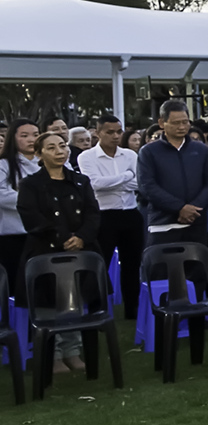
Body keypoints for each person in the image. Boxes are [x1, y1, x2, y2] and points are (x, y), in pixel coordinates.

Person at [18, 131, 100, 373]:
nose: (59, 152)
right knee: (48, 303)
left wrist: (82, 237)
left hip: (80, 249)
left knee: (74, 300)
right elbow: (31, 216)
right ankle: (52, 355)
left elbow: (93, 212)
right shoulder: (30, 184)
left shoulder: (80, 181)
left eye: (63, 146)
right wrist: (62, 239)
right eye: (52, 148)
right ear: (39, 154)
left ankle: (72, 351)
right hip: (45, 251)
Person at [81, 113, 144, 319]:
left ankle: (132, 308)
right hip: (103, 215)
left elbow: (139, 183)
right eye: (110, 132)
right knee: (100, 263)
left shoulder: (130, 155)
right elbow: (95, 184)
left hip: (130, 213)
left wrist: (116, 182)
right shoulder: (87, 157)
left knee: (132, 264)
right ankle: (96, 309)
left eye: (119, 132)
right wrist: (126, 176)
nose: (116, 136)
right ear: (98, 133)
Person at [136, 100, 208, 249]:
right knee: (163, 263)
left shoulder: (201, 150)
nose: (181, 127)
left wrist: (194, 208)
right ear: (162, 123)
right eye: (176, 123)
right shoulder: (148, 152)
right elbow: (147, 186)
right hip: (162, 224)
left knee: (197, 262)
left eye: (185, 122)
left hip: (196, 223)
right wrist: (180, 207)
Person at [0, 119, 42, 302]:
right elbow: (3, 195)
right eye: (24, 136)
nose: (31, 139)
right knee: (14, 287)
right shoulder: (4, 165)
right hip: (12, 234)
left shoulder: (48, 162)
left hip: (43, 233)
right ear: (13, 138)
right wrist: (37, 200)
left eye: (36, 135)